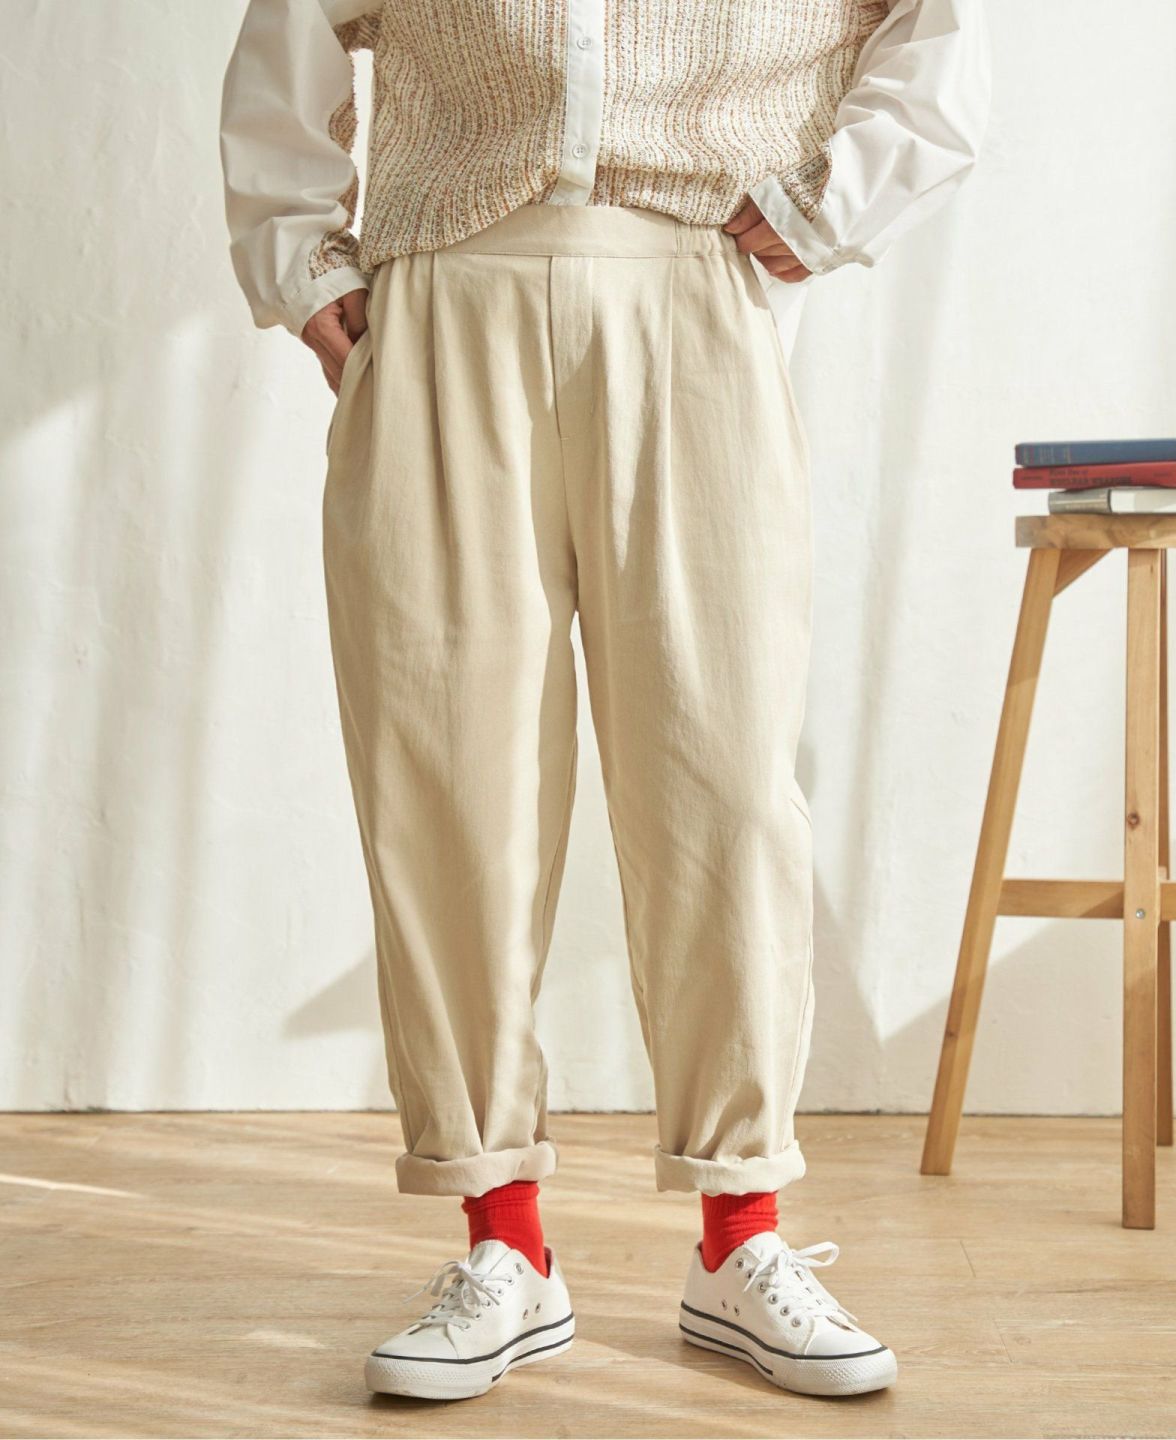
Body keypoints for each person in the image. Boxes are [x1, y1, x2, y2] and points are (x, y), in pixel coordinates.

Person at [219, 0, 989, 1404]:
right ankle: (502, 1245)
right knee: (447, 780)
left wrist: (837, 200)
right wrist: (297, 254)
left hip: (694, 287)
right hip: (444, 291)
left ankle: (740, 1240)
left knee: (725, 785)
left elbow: (938, 32)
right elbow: (294, 31)